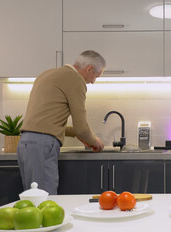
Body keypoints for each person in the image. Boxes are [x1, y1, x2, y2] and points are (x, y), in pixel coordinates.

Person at [17, 50, 106, 194]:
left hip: (26, 143)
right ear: (89, 68)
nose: (93, 81)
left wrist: (77, 134)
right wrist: (95, 141)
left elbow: (46, 123)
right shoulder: (76, 80)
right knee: (46, 200)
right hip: (43, 145)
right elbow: (81, 127)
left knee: (34, 197)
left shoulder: (47, 74)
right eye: (96, 75)